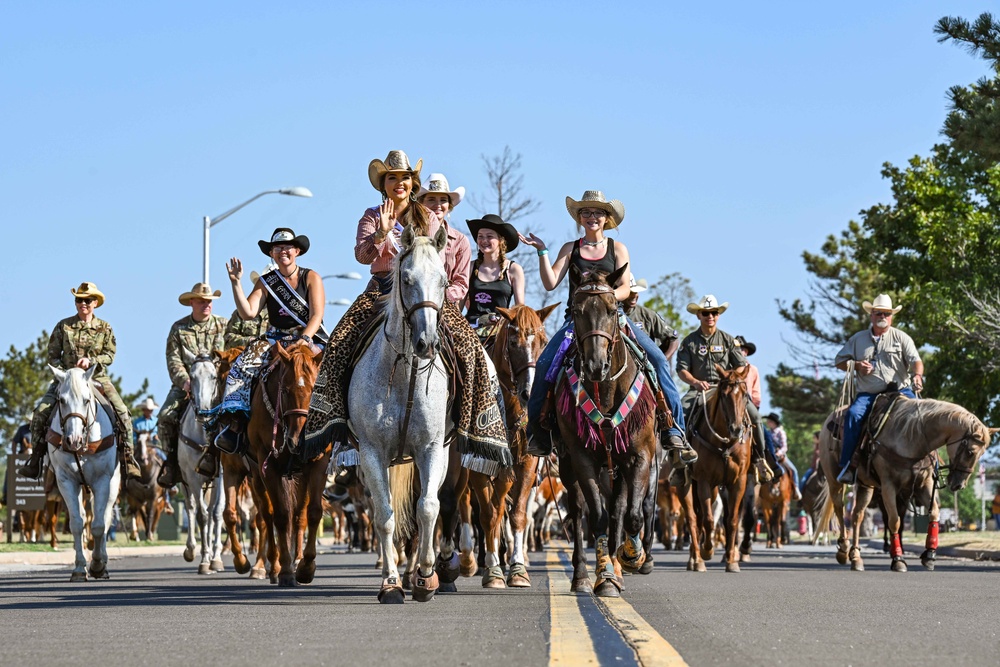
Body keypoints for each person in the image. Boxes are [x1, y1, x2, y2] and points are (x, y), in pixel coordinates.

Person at [302, 151, 508, 472]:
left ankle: (476, 426)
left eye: (404, 178)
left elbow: (434, 258)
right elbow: (361, 255)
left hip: (419, 290)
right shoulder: (371, 215)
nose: (399, 183)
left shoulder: (426, 215)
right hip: (381, 289)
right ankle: (339, 430)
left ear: (413, 183)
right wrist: (382, 233)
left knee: (470, 348)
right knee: (339, 343)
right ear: (383, 184)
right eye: (392, 178)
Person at [519, 190, 694, 466]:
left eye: (597, 212)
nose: (592, 217)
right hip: (575, 323)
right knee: (543, 365)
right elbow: (550, 282)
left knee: (658, 361)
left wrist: (606, 295)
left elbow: (625, 287)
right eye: (586, 212)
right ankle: (538, 434)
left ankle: (675, 429)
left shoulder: (618, 249)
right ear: (579, 217)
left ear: (606, 218)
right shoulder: (570, 248)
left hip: (614, 319)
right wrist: (542, 251)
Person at [205, 227, 327, 465]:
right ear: (271, 253)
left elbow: (316, 315)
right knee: (241, 365)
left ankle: (339, 427)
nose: (283, 251)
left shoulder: (311, 277)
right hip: (275, 339)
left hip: (307, 337)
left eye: (288, 247)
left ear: (297, 251)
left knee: (335, 366)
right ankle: (236, 423)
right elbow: (248, 312)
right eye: (278, 248)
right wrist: (236, 284)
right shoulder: (267, 282)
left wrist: (304, 338)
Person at [17, 282, 139, 480]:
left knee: (123, 413)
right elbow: (52, 355)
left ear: (95, 303)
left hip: (96, 377)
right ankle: (36, 460)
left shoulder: (105, 328)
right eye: (79, 300)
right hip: (66, 379)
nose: (83, 303)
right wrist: (68, 373)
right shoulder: (63, 326)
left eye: (87, 300)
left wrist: (92, 361)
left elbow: (109, 355)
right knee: (40, 413)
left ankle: (128, 458)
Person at [676, 295, 773, 482]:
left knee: (755, 416)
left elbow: (741, 365)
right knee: (680, 412)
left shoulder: (728, 340)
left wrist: (729, 378)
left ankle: (760, 459)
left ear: (718, 315)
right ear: (699, 315)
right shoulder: (689, 342)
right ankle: (679, 463)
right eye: (706, 313)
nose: (710, 316)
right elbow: (681, 370)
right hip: (699, 389)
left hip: (727, 388)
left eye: (713, 313)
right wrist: (695, 382)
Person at [834, 294, 923, 484]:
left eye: (886, 313)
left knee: (921, 415)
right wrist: (857, 365)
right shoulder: (858, 339)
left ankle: (928, 464)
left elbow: (916, 361)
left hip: (900, 392)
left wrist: (917, 375)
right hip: (868, 394)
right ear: (871, 315)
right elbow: (839, 361)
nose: (882, 316)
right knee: (853, 415)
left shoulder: (901, 337)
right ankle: (849, 465)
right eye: (878, 313)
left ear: (891, 316)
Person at [155, 283, 228, 488]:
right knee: (165, 416)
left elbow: (232, 355)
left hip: (217, 387)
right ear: (191, 303)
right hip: (187, 385)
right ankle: (171, 462)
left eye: (209, 301)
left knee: (240, 415)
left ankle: (241, 463)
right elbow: (173, 360)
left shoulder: (224, 325)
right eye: (202, 301)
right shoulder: (179, 329)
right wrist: (184, 381)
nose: (206, 305)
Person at [416, 172, 473, 306]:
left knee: (462, 328)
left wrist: (440, 294)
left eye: (443, 200)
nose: (438, 204)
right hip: (412, 300)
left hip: (445, 304)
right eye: (431, 199)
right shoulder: (412, 235)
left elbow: (461, 283)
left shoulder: (460, 241)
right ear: (421, 203)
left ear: (449, 205)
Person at [464, 213, 526, 333]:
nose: (484, 240)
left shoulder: (513, 269)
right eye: (480, 236)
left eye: (489, 236)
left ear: (500, 240)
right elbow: (458, 306)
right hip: (471, 330)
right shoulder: (469, 267)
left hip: (500, 331)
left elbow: (520, 309)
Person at [622, 277, 679, 360]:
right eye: (630, 292)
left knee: (661, 364)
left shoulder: (648, 315)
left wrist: (664, 359)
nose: (634, 295)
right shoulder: (608, 315)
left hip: (646, 363)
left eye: (636, 292)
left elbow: (673, 339)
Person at [224, 271, 271, 349]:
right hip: (245, 356)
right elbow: (228, 339)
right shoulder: (241, 313)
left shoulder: (285, 313)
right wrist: (250, 341)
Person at [765, 412, 801, 500]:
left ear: (774, 422)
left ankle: (796, 489)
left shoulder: (781, 432)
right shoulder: (767, 433)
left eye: (769, 421)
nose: (767, 422)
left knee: (793, 470)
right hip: (769, 456)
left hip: (780, 457)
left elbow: (784, 447)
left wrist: (778, 453)